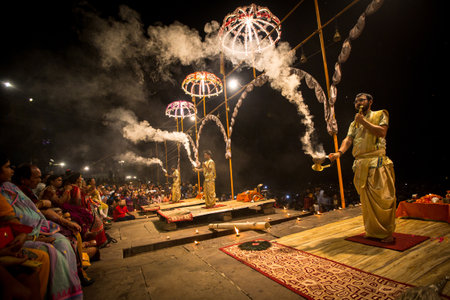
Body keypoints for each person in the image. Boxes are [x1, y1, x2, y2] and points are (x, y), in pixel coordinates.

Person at [0, 155, 83, 298]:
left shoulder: (13, 188)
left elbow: (19, 218)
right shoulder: (44, 189)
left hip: (32, 230)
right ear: (24, 179)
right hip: (18, 237)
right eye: (7, 167)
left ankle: (76, 278)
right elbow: (61, 203)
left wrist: (22, 235)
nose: (11, 170)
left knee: (77, 224)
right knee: (57, 244)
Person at [329, 92, 396, 243]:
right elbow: (349, 139)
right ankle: (372, 231)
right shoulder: (354, 123)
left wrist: (364, 122)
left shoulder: (380, 114)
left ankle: (387, 234)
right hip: (361, 164)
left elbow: (382, 132)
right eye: (355, 101)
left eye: (361, 100)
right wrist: (339, 153)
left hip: (377, 163)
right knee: (367, 202)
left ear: (370, 101)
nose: (358, 103)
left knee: (383, 199)